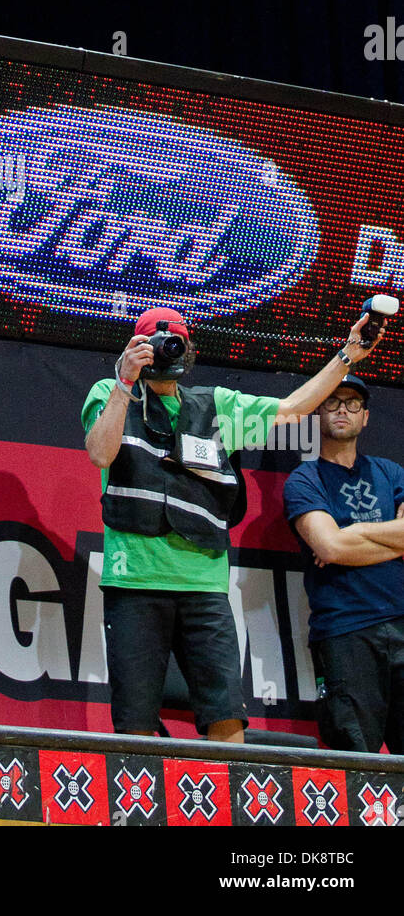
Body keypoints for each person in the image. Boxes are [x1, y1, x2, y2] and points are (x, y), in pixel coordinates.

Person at [81, 304, 387, 744]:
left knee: (225, 715)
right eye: (152, 344)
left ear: (189, 352)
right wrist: (125, 381)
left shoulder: (217, 405)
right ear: (135, 348)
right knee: (135, 724)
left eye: (175, 345)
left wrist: (347, 355)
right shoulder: (109, 391)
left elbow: (293, 408)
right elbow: (100, 454)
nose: (164, 353)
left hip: (204, 587)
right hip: (134, 582)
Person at [283, 373, 404, 753]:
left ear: (365, 417)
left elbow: (337, 541)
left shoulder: (392, 473)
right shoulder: (304, 480)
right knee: (353, 763)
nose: (343, 410)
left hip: (402, 623)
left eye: (353, 403)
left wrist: (349, 533)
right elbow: (330, 547)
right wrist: (392, 539)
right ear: (317, 411)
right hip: (345, 633)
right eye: (333, 402)